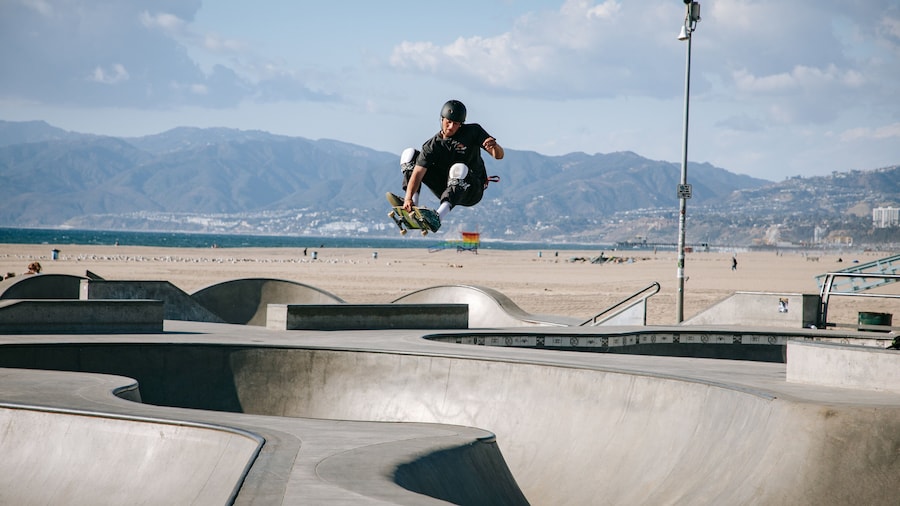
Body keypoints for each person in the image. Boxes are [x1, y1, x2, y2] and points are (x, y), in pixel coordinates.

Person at [387, 99, 504, 231]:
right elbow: (418, 173)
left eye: (456, 124)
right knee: (409, 155)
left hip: (472, 190)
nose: (451, 127)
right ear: (442, 119)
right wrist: (408, 198)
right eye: (448, 122)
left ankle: (438, 217)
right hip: (446, 187)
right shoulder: (432, 145)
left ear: (461, 124)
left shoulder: (473, 131)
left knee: (459, 168)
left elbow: (499, 155)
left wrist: (495, 147)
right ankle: (412, 205)